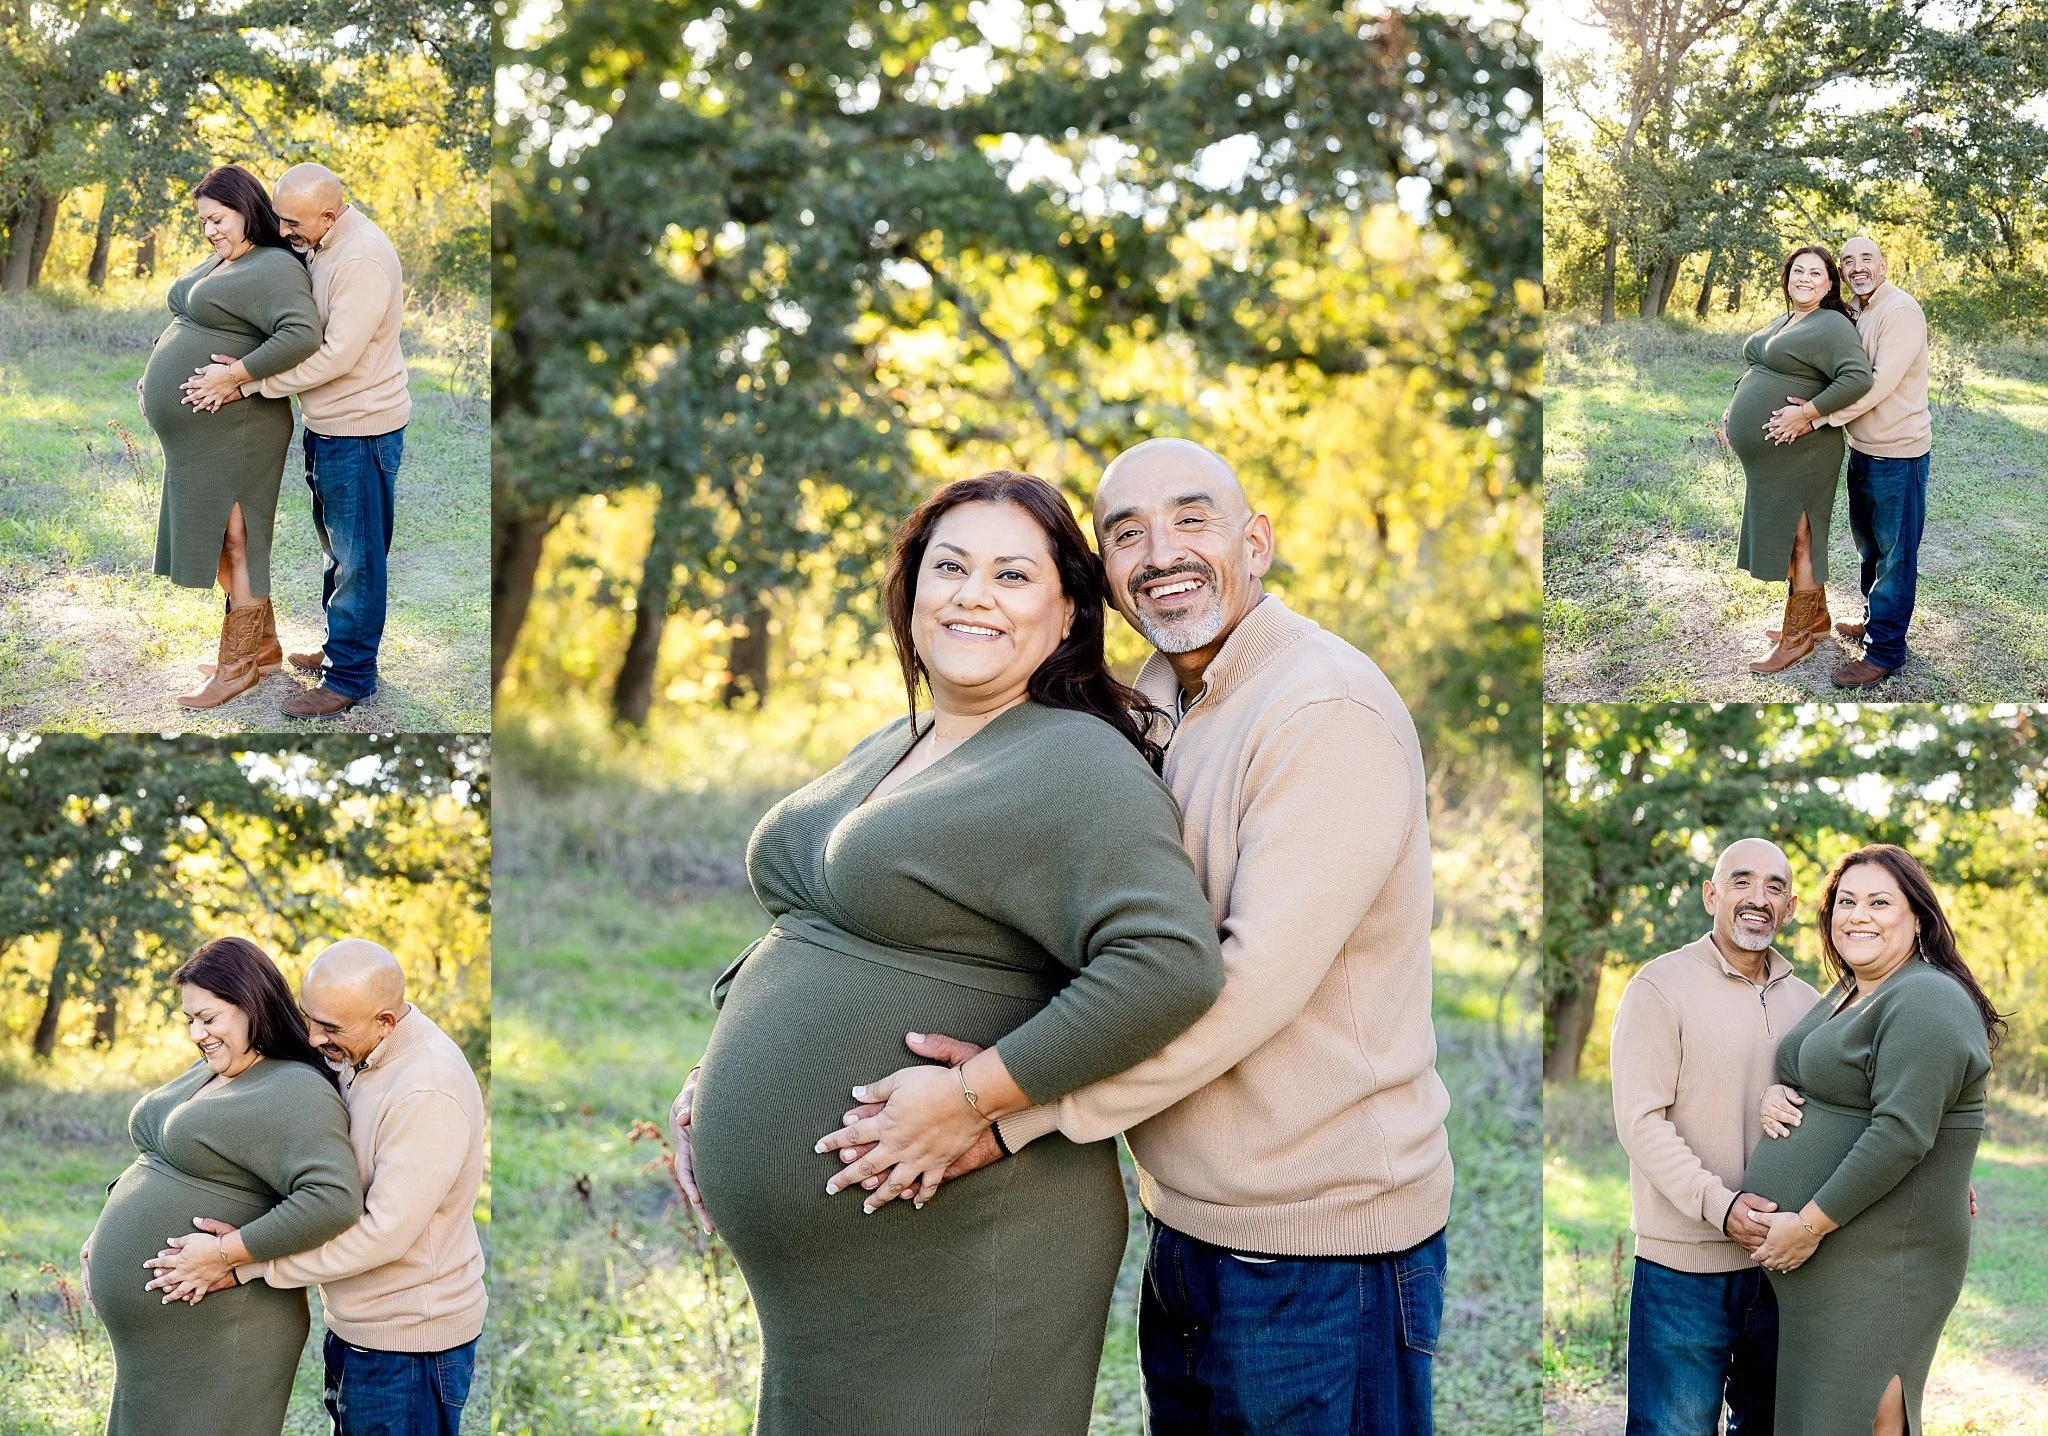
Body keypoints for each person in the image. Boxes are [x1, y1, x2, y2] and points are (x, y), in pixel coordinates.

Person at [790, 438, 1457, 1434]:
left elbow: (1240, 983)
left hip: (1320, 1248)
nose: (1160, 552)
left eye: (1192, 518)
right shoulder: (1145, 706)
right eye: (1126, 531)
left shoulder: (1323, 708)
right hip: (1190, 1225)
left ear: (1256, 541)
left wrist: (1000, 1108)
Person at [679, 470, 1226, 1435]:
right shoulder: (908, 736)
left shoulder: (1075, 759)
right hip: (843, 1280)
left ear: (1065, 617)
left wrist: (973, 1098)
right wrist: (713, 1080)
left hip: (972, 1247)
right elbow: (819, 933)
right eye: (951, 567)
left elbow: (1166, 963)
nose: (973, 593)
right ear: (912, 591)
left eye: (1013, 576)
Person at [142, 940, 488, 1436]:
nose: (312, 1036)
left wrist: (243, 1261)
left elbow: (383, 1234)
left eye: (330, 1028)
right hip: (360, 1328)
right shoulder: (361, 1053)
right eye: (309, 1017)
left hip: (410, 1342)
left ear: (385, 1021)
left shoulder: (426, 1089)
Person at [1742, 845, 2000, 1436]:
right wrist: (1773, 1094)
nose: (1858, 915)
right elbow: (1826, 1079)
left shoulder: (1926, 997)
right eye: (1845, 902)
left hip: (1884, 1260)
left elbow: (1902, 1132)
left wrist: (1806, 1227)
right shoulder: (1852, 990)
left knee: (1862, 1416)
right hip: (1837, 1255)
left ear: (1918, 917)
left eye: (1879, 902)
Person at [79, 937, 363, 1436]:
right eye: (189, 1019)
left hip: (226, 1334)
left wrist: (229, 1252)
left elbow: (333, 1199)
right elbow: (162, 1160)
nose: (197, 1033)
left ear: (251, 1004)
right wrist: (102, 1238)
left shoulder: (295, 1088)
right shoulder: (217, 1070)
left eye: (208, 1018)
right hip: (160, 1346)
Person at [182, 162, 412, 719]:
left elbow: (334, 355)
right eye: (280, 220)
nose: (285, 234)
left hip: (361, 427)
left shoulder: (360, 259)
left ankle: (351, 678)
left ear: (330, 215)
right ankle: (342, 654)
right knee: (339, 549)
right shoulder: (323, 240)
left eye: (294, 224)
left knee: (359, 559)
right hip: (329, 424)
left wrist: (249, 382)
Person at [1608, 838, 1820, 1434]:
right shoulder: (1659, 987)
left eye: (1775, 887)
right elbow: (1640, 1122)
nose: (1758, 898)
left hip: (1785, 1269)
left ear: (1791, 907)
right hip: (1683, 1273)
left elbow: (1853, 1115)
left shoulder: (1812, 1005)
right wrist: (1718, 1206)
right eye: (1742, 881)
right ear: (1711, 895)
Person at [138, 165, 321, 708]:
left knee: (239, 539)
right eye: (203, 222)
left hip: (242, 429)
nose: (210, 230)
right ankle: (262, 647)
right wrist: (156, 373)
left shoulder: (275, 266)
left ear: (246, 209)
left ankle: (238, 667)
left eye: (217, 218)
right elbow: (192, 321)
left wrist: (237, 375)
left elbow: (302, 334)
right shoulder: (227, 256)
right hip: (201, 437)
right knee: (220, 540)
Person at [1761, 237, 1932, 689]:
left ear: (1884, 264)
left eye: (1867, 260)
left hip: (1899, 454)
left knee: (1896, 558)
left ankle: (1886, 652)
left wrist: (1815, 416)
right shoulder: (1858, 311)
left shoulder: (1899, 312)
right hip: (1863, 449)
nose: (1858, 268)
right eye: (1849, 261)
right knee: (1870, 551)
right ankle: (1874, 625)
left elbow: (1875, 385)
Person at [1720, 246, 1873, 676]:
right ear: (1788, 277)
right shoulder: (1786, 319)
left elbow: (1857, 377)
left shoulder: (1832, 323)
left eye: (1816, 273)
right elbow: (1761, 367)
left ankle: (1798, 638)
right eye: (1798, 271)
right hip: (1773, 457)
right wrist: (1736, 404)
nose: (1805, 278)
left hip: (1805, 451)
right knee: (1793, 534)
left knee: (1800, 536)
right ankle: (1817, 620)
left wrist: (1808, 413)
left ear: (1829, 283)